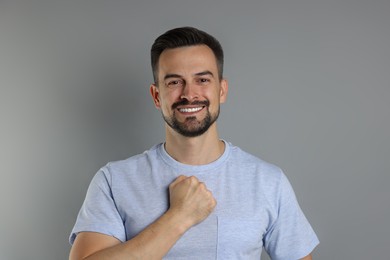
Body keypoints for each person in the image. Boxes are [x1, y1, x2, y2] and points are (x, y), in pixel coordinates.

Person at [69, 27, 319, 260]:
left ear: (221, 91)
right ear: (157, 95)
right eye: (175, 82)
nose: (189, 93)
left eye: (202, 80)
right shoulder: (114, 181)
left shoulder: (267, 182)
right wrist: (179, 217)